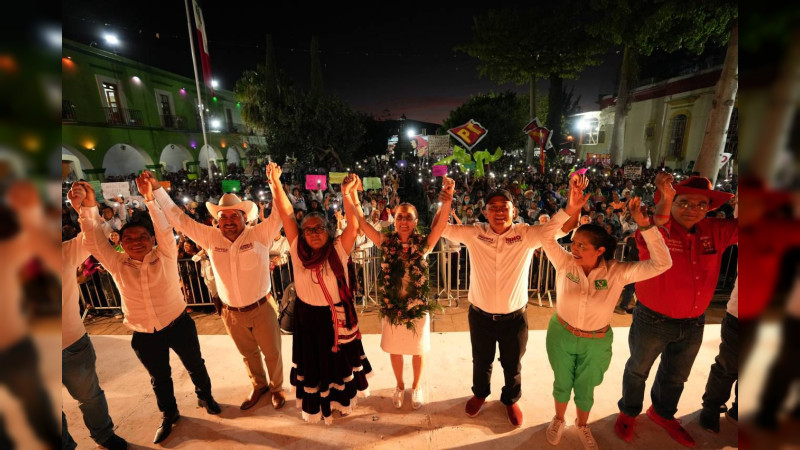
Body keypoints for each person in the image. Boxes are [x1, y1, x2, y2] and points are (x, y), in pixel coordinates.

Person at [70, 179, 220, 445]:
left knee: (195, 364)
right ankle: (169, 414)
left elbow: (164, 228)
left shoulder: (165, 254)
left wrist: (150, 199)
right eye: (129, 238)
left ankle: (205, 396)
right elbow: (93, 240)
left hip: (178, 323)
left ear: (152, 239)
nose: (136, 242)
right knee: (159, 378)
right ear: (120, 242)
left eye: (142, 237)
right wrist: (88, 208)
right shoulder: (116, 263)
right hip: (143, 333)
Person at [541, 175, 673, 449]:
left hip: (596, 341)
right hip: (561, 334)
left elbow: (662, 264)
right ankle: (558, 418)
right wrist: (570, 207)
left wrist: (646, 226)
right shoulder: (565, 263)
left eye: (581, 246)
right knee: (562, 381)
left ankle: (582, 425)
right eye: (573, 243)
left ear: (600, 250)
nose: (573, 249)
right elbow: (544, 236)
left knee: (586, 387)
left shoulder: (617, 272)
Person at [615, 175, 737, 447]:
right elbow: (655, 224)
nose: (692, 209)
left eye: (700, 204)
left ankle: (662, 413)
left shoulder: (716, 229)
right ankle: (629, 411)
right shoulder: (659, 226)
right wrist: (666, 200)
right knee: (638, 369)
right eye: (684, 202)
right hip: (652, 318)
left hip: (694, 322)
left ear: (709, 208)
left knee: (676, 376)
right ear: (673, 202)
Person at [440, 188, 579, 427]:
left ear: (514, 211)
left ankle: (510, 399)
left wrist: (573, 205)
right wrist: (445, 204)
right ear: (484, 212)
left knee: (512, 363)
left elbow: (560, 229)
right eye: (492, 207)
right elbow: (442, 229)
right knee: (481, 360)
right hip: (480, 316)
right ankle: (480, 394)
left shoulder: (525, 235)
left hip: (514, 318)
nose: (499, 211)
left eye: (504, 206)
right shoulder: (475, 233)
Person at [150, 170, 288, 412]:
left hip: (262, 307)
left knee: (272, 353)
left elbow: (281, 213)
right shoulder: (211, 238)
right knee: (248, 355)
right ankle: (259, 385)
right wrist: (157, 190)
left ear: (245, 217)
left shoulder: (260, 234)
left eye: (235, 216)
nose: (229, 221)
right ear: (217, 220)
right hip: (231, 313)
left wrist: (276, 183)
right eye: (223, 217)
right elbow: (179, 220)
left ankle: (277, 388)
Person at [267, 163, 372, 425]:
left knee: (338, 366)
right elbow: (287, 212)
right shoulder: (296, 249)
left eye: (319, 228)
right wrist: (277, 184)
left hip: (336, 319)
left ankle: (340, 404)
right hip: (308, 320)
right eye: (309, 229)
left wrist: (347, 193)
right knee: (314, 367)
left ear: (328, 231)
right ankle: (318, 407)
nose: (313, 233)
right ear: (302, 233)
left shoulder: (338, 249)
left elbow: (353, 227)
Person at [352, 174, 454, 410]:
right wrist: (354, 196)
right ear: (394, 220)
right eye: (400, 217)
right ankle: (399, 385)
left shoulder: (423, 245)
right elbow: (363, 224)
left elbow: (440, 225)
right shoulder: (385, 243)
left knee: (418, 351)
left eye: (409, 217)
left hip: (417, 308)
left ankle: (416, 387)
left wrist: (448, 197)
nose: (404, 221)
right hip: (392, 307)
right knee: (395, 350)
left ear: (416, 221)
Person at [63, 186, 127, 450]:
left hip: (71, 344)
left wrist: (88, 208)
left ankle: (104, 435)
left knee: (90, 397)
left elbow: (93, 238)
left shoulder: (59, 253)